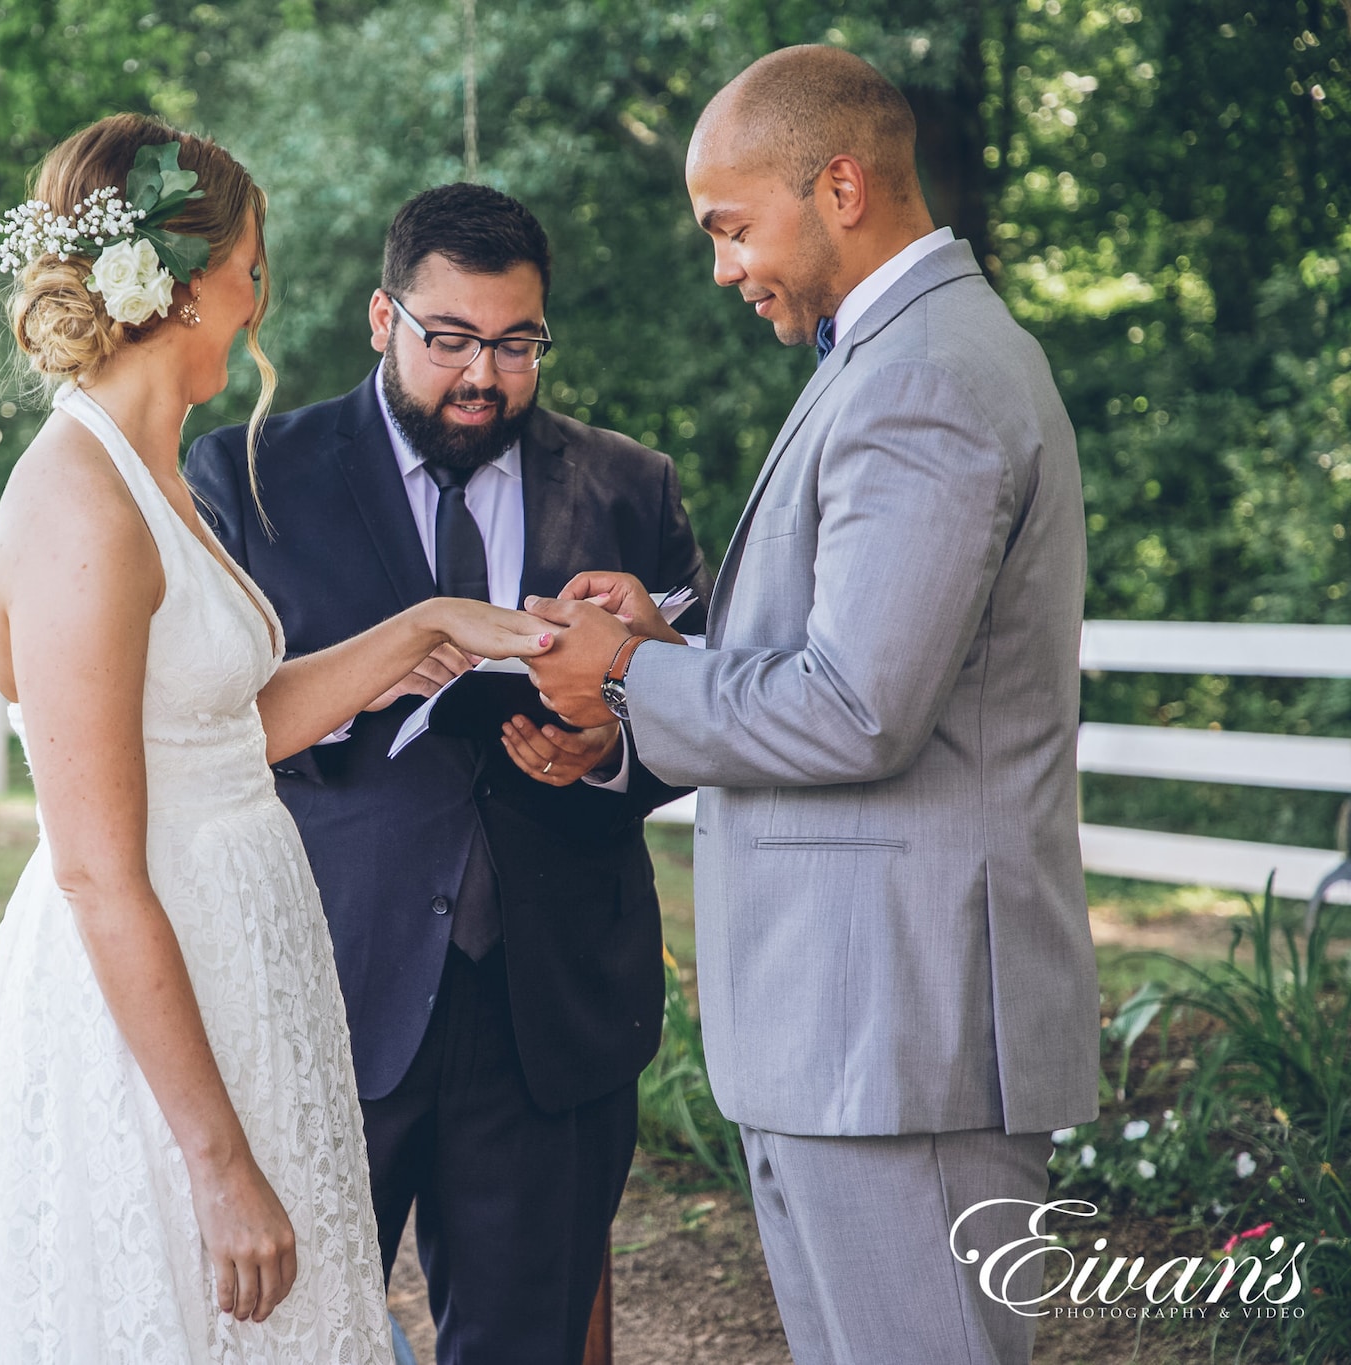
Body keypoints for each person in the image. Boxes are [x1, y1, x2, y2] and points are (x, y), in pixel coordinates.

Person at [0, 115, 554, 1365]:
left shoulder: (156, 475)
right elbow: (94, 866)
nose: (260, 296)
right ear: (185, 285)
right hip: (153, 990)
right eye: (252, 264)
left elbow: (220, 731)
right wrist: (218, 1158)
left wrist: (423, 630)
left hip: (242, 967)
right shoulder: (80, 503)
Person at [524, 46, 1100, 1365]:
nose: (726, 265)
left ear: (838, 185)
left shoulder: (927, 378)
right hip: (852, 1027)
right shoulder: (892, 357)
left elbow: (857, 709)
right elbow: (858, 651)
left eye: (733, 228)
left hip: (903, 1035)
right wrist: (671, 636)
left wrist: (623, 674)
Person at [186, 183, 711, 1365]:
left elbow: (716, 705)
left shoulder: (630, 485)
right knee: (295, 1342)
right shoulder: (248, 473)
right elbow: (198, 720)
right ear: (382, 319)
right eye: (451, 340)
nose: (484, 376)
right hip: (328, 987)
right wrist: (360, 687)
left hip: (551, 1009)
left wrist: (611, 744)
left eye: (516, 344)